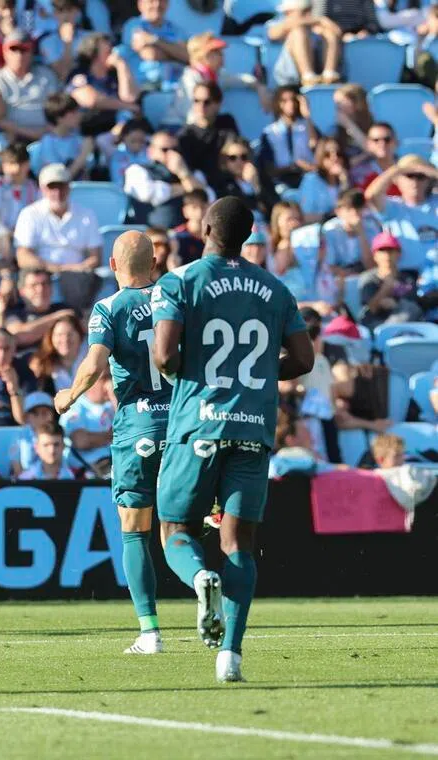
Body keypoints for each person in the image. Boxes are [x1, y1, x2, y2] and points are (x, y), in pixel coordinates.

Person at [151, 196, 315, 682]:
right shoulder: (276, 289)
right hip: (252, 428)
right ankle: (231, 658)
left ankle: (201, 579)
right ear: (247, 236)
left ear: (205, 228)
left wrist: (194, 373)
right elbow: (303, 361)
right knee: (239, 540)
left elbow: (163, 356)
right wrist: (261, 376)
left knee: (175, 530)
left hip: (196, 426)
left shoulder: (180, 281)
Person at [54, 231, 169, 653]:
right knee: (180, 526)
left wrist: (68, 396)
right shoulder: (176, 299)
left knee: (135, 532)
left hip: (138, 428)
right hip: (183, 427)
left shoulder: (107, 308)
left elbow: (94, 365)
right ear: (155, 263)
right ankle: (202, 589)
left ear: (113, 265)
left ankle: (150, 631)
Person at [13, 163, 103, 312]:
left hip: (76, 276)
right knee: (35, 281)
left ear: (69, 187)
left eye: (61, 186)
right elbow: (23, 257)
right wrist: (57, 269)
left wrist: (76, 269)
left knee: (83, 283)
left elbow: (96, 257)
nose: (57, 192)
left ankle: (76, 320)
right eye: (52, 187)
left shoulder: (86, 214)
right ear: (42, 189)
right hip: (41, 273)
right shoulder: (29, 214)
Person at [0, 30, 61, 141]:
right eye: (14, 49)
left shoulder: (46, 76)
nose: (19, 54)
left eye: (24, 49)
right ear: (4, 52)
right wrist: (28, 132)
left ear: (31, 52)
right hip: (12, 139)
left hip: (48, 137)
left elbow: (58, 109)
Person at [265, 0, 342, 86]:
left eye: (309, 10)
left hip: (319, 73)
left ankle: (329, 74)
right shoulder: (278, 23)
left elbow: (337, 32)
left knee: (329, 34)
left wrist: (321, 22)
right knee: (298, 32)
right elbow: (272, 34)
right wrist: (316, 20)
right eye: (304, 11)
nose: (309, 14)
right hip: (289, 78)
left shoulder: (317, 27)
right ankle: (308, 77)